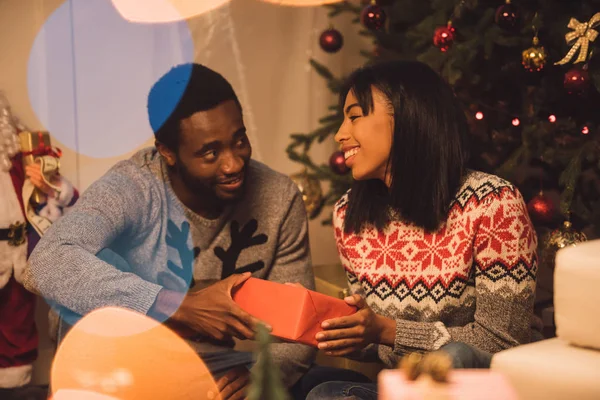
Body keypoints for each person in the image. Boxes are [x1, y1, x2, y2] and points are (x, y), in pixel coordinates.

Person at [24, 63, 367, 400]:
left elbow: (300, 328)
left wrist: (260, 377)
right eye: (210, 152)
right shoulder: (132, 187)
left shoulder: (278, 197)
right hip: (121, 363)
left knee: (334, 384)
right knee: (92, 274)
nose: (233, 164)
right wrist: (177, 306)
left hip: (216, 365)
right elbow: (47, 262)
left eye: (239, 141)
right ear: (167, 152)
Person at [306, 60, 538, 400]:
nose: (340, 134)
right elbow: (379, 350)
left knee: (455, 358)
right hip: (404, 389)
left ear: (408, 117)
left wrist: (388, 330)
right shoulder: (348, 215)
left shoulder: (494, 204)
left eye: (354, 116)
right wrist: (345, 332)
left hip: (481, 390)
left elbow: (503, 344)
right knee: (319, 389)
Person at [0, 93, 78, 399]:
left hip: (17, 253)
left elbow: (69, 201)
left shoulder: (22, 155)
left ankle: (13, 387)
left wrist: (49, 185)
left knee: (16, 323)